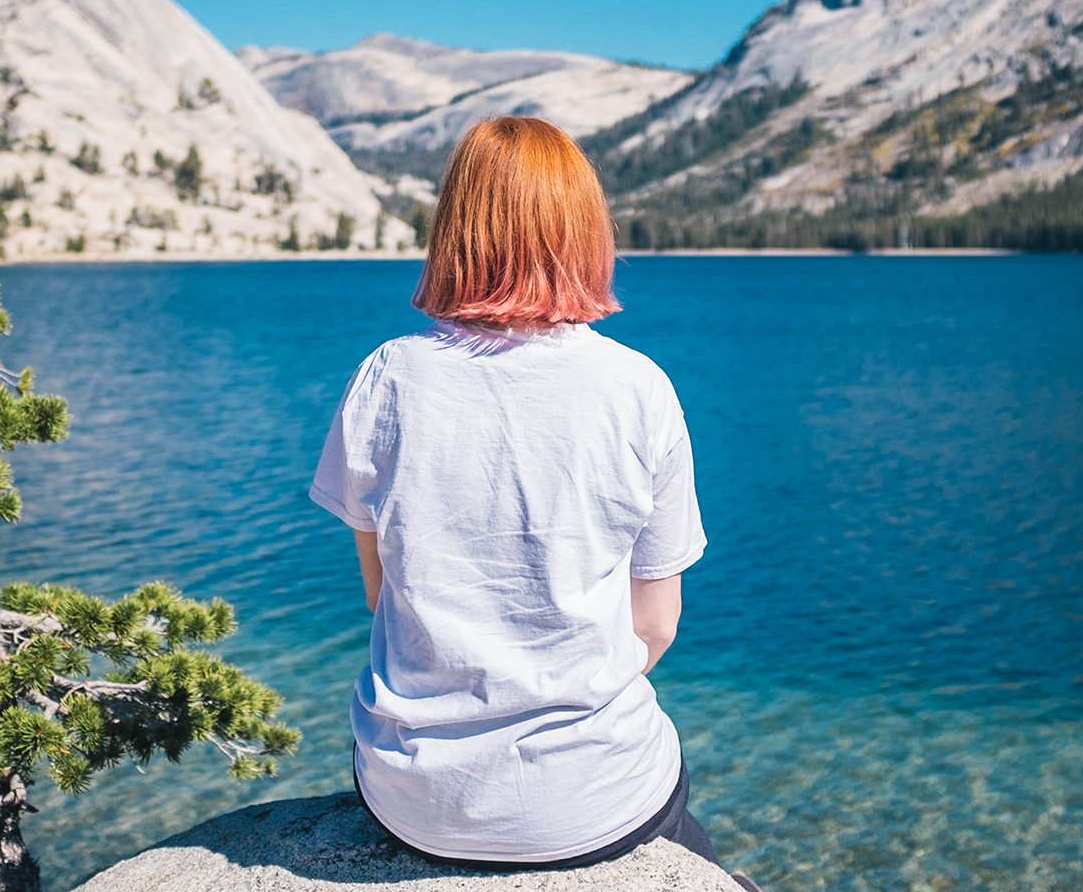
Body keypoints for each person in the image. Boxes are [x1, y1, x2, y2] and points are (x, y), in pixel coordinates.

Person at [310, 116, 758, 890]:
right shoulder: (637, 388)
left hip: (415, 795)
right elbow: (655, 625)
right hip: (596, 797)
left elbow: (384, 596)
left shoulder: (386, 376)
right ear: (584, 233)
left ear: (456, 229)